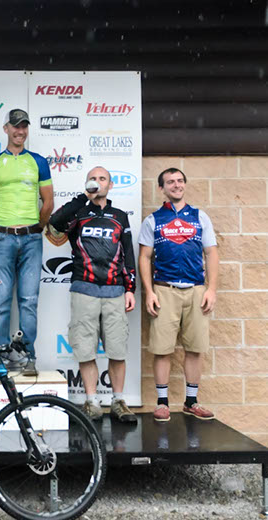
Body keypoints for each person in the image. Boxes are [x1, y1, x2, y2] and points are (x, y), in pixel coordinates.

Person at [49, 166, 137, 423]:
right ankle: (91, 402)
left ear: (110, 185)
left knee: (117, 350)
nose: (97, 182)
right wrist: (82, 198)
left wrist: (130, 289)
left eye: (102, 179)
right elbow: (54, 223)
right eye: (93, 178)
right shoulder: (79, 212)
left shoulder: (120, 216)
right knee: (85, 350)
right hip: (84, 289)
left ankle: (119, 401)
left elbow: (128, 253)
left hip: (114, 291)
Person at [138, 167, 218, 422]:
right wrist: (149, 291)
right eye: (170, 182)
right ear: (162, 188)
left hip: (195, 289)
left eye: (180, 180)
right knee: (162, 349)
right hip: (165, 289)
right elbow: (144, 257)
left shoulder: (199, 217)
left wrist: (211, 289)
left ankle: (191, 401)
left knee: (195, 348)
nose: (176, 185)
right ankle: (162, 402)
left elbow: (212, 253)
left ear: (185, 184)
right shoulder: (153, 220)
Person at [0, 108, 54, 376]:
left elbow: (49, 202)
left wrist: (37, 229)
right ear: (6, 129)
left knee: (28, 300)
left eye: (24, 127)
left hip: (31, 239)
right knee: (0, 301)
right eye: (15, 127)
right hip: (2, 238)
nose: (20, 131)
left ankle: (28, 356)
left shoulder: (38, 162)